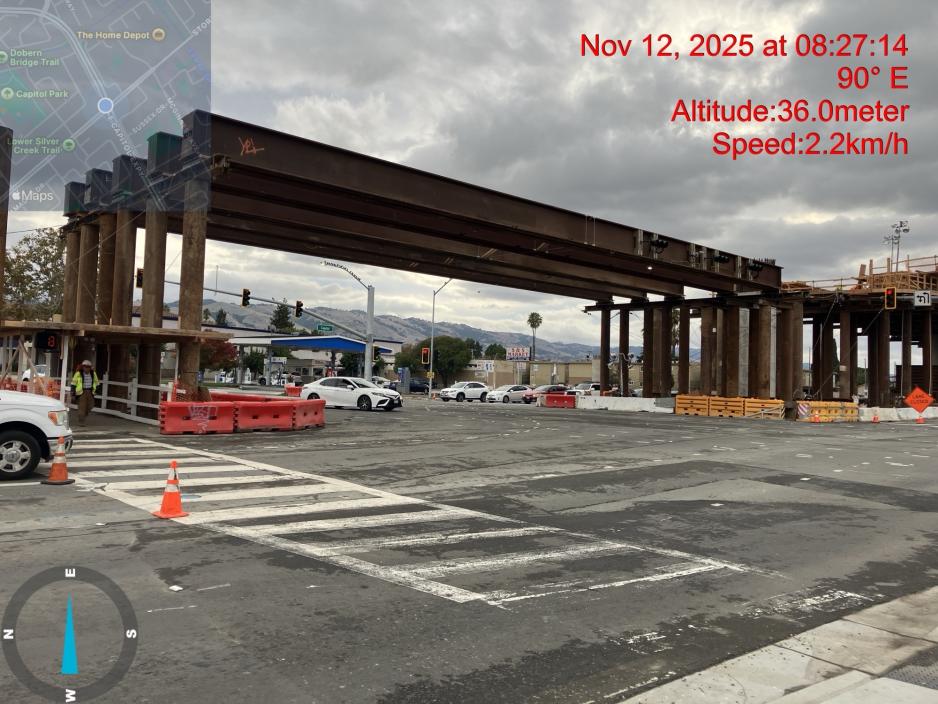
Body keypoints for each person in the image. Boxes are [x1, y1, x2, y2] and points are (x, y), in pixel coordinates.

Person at [71, 360, 99, 425]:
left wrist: (97, 389)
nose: (87, 368)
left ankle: (83, 415)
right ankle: (81, 422)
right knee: (82, 408)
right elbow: (73, 383)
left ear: (90, 367)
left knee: (90, 406)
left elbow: (97, 382)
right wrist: (73, 393)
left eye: (88, 367)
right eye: (85, 367)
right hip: (81, 392)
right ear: (83, 367)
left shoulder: (93, 373)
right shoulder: (78, 373)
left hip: (90, 392)